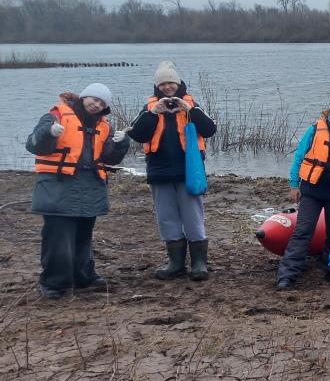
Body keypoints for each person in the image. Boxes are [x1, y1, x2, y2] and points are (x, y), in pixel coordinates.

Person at [26, 83, 130, 299]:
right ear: (84, 97)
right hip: (58, 185)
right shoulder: (56, 115)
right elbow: (34, 144)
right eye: (94, 99)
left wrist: (121, 145)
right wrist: (48, 133)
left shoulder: (104, 126)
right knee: (58, 239)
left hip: (90, 187)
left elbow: (109, 158)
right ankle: (54, 284)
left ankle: (84, 277)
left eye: (102, 103)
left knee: (84, 236)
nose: (97, 105)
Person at [126, 61, 217, 281]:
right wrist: (154, 113)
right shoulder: (149, 108)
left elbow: (210, 129)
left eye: (171, 83)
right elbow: (137, 134)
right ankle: (175, 263)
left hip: (189, 171)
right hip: (159, 171)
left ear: (178, 84)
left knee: (193, 217)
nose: (168, 88)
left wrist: (190, 110)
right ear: (157, 87)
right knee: (167, 218)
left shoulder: (191, 105)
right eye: (163, 84)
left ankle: (199, 263)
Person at [276, 97, 330, 290]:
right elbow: (299, 157)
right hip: (311, 191)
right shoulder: (315, 129)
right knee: (303, 231)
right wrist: (294, 184)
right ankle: (288, 273)